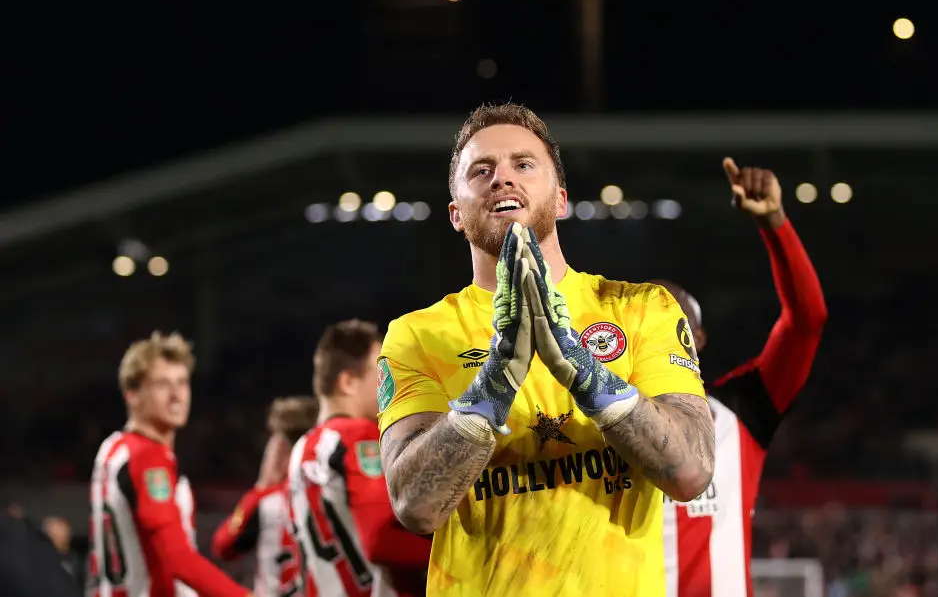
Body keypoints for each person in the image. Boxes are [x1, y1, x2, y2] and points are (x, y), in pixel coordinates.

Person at [376, 102, 715, 597]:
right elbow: (415, 506)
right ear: (456, 214)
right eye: (481, 171)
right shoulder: (417, 334)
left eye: (523, 164)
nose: (502, 178)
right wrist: (494, 384)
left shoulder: (642, 308)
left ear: (560, 200)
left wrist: (586, 373)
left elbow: (692, 472)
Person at [652, 158, 827, 597]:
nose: (663, 335)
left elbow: (806, 321)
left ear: (699, 340)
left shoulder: (741, 412)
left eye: (677, 325)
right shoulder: (598, 423)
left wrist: (775, 223)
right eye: (649, 324)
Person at [87, 331, 252, 597]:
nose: (177, 395)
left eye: (182, 383)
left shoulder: (112, 448)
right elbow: (178, 558)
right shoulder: (148, 458)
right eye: (162, 384)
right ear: (132, 394)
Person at [289, 319, 432, 597]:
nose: (390, 383)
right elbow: (382, 540)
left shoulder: (302, 448)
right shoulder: (358, 436)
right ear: (348, 383)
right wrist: (462, 547)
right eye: (381, 372)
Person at [212, 396, 319, 597]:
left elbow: (222, 546)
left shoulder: (266, 501)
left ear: (280, 448)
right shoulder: (328, 492)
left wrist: (260, 487)